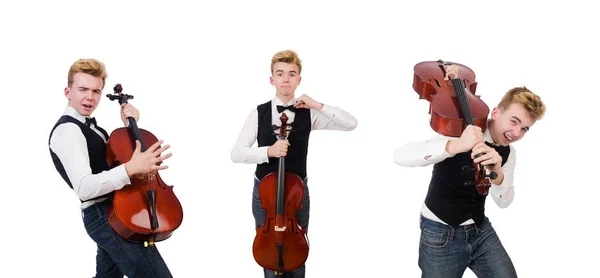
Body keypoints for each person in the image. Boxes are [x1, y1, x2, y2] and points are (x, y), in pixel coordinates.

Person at [394, 86, 546, 277]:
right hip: (440, 232)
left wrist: (498, 174)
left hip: (480, 231)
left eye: (524, 128)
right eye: (514, 122)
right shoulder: (461, 129)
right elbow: (400, 156)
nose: (516, 133)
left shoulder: (509, 153)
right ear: (496, 112)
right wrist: (455, 145)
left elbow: (504, 202)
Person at [231, 50, 358, 277]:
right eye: (280, 74)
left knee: (297, 248)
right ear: (272, 80)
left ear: (299, 79)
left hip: (297, 192)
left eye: (291, 74)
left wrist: (317, 105)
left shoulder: (309, 113)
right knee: (269, 249)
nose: (286, 79)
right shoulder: (258, 113)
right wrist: (268, 151)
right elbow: (236, 153)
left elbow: (351, 124)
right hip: (264, 192)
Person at [48, 58, 174, 278]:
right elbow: (84, 187)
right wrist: (130, 169)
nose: (90, 97)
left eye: (96, 91)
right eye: (83, 89)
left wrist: (130, 128)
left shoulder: (93, 129)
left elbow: (110, 163)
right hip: (105, 216)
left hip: (117, 211)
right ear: (68, 92)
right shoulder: (68, 131)